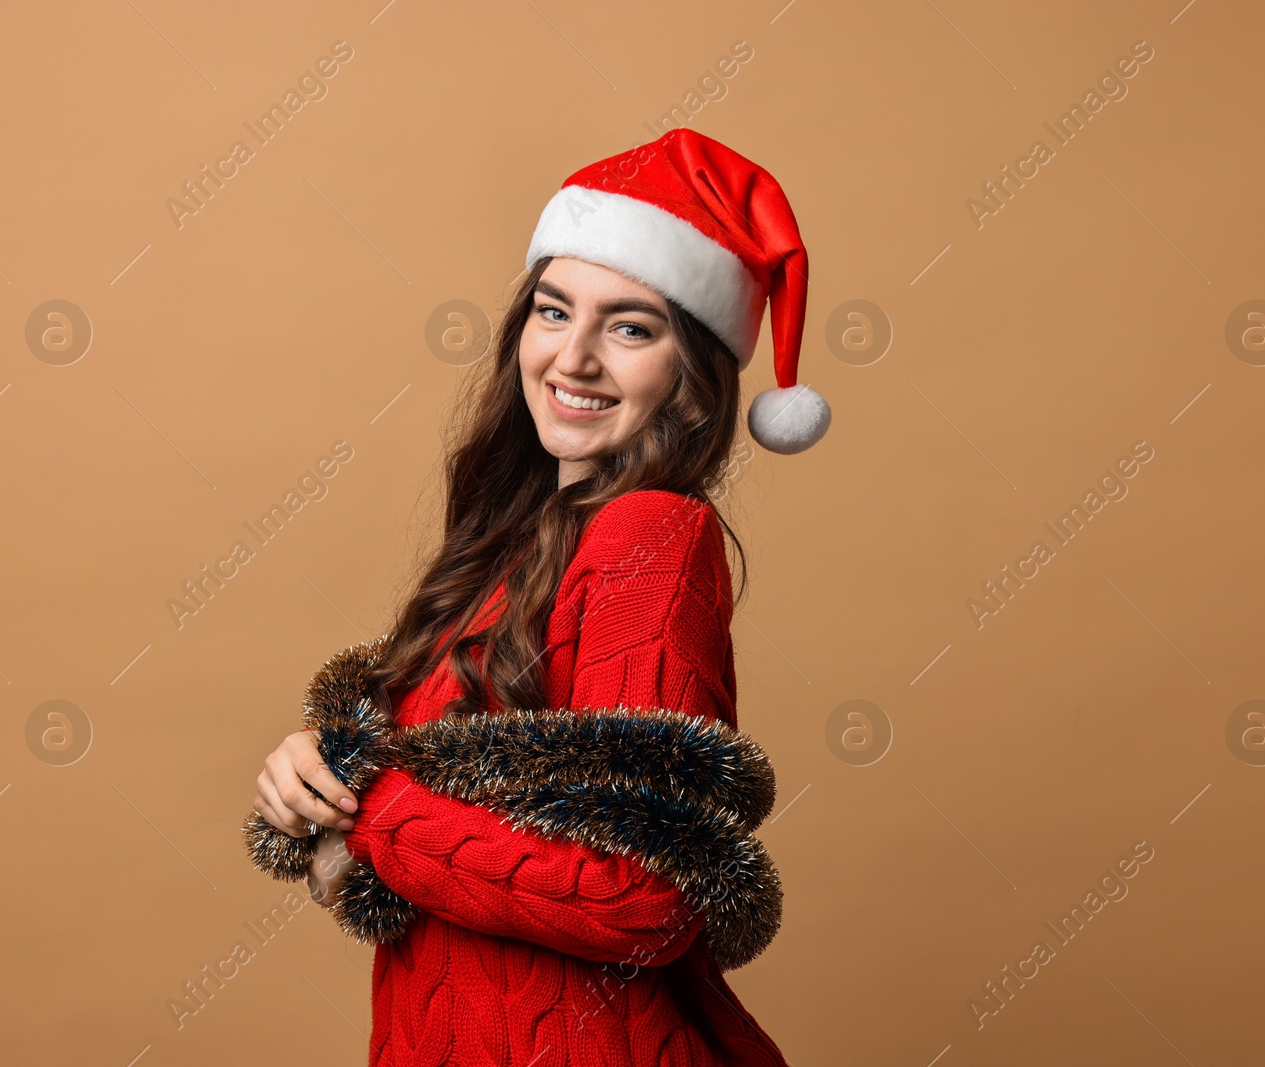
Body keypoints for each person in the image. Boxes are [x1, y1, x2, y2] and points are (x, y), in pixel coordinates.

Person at [250, 128, 830, 1067]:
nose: (575, 358)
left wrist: (371, 813)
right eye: (554, 311)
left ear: (694, 377)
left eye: (631, 327)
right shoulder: (509, 551)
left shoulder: (651, 536)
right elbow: (449, 834)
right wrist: (313, 774)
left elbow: (640, 892)